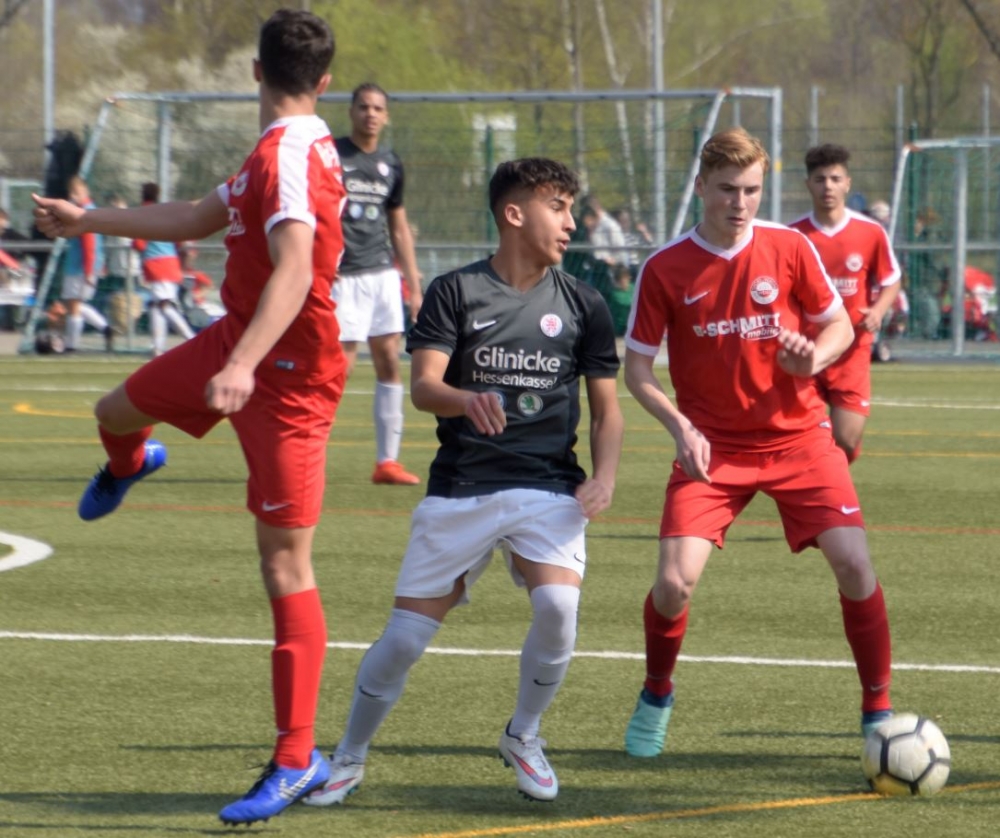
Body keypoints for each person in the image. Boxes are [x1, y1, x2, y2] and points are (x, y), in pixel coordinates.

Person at [33, 8, 345, 826]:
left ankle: (297, 759)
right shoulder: (286, 148)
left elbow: (295, 269)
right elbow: (196, 217)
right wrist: (88, 219)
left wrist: (243, 367)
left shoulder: (287, 155)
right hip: (236, 343)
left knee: (285, 565)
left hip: (287, 378)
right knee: (114, 412)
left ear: (255, 71)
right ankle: (133, 461)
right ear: (324, 82)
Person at [303, 157, 624, 806]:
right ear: (514, 214)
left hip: (548, 487)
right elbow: (424, 386)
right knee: (404, 641)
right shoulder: (455, 291)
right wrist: (465, 398)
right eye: (557, 207)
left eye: (571, 209)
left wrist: (606, 477)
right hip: (463, 485)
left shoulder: (584, 303)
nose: (570, 223)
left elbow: (607, 412)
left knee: (559, 609)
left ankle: (523, 734)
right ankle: (349, 757)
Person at [621, 127, 893, 760]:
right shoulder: (664, 268)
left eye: (750, 190)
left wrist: (811, 361)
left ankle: (877, 710)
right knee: (673, 584)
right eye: (727, 190)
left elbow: (838, 325)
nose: (739, 203)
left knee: (855, 566)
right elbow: (637, 370)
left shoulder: (790, 246)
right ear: (701, 187)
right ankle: (656, 692)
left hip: (800, 439)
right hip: (712, 448)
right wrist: (680, 427)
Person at [333, 82, 424, 486]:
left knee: (389, 360)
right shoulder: (333, 156)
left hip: (383, 276)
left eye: (377, 108)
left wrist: (414, 286)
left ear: (386, 116)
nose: (370, 114)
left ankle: (387, 462)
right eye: (363, 107)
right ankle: (305, 452)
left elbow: (399, 226)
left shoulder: (391, 163)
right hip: (343, 276)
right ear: (351, 112)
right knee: (340, 366)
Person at [788, 144, 901, 463]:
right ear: (808, 184)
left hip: (852, 350)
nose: (828, 186)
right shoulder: (793, 235)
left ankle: (831, 470)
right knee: (800, 440)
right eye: (820, 179)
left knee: (847, 441)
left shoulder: (870, 232)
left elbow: (891, 278)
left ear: (847, 183)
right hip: (807, 351)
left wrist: (878, 311)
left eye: (835, 179)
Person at [133, 182, 196, 356]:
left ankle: (192, 339)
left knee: (164, 305)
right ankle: (158, 347)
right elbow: (179, 239)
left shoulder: (142, 213)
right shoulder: (164, 212)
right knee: (156, 305)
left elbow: (139, 243)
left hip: (156, 265)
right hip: (171, 263)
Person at [59, 177, 114, 352]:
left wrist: (90, 271)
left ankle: (71, 345)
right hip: (81, 266)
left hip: (79, 267)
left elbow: (90, 244)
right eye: (71, 192)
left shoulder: (84, 213)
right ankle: (105, 328)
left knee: (74, 305)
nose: (73, 196)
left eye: (76, 192)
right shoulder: (88, 210)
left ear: (85, 191)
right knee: (74, 304)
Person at [606, 262, 635, 337]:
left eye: (627, 278)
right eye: (622, 279)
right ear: (617, 281)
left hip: (632, 324)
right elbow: (627, 303)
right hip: (619, 328)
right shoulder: (615, 294)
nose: (625, 281)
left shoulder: (633, 287)